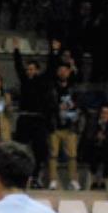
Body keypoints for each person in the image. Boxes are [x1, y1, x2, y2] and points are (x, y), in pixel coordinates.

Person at [12, 48, 50, 188]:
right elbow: (18, 67)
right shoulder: (24, 81)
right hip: (24, 118)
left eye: (32, 69)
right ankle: (17, 176)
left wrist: (54, 51)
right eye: (28, 69)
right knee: (19, 149)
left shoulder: (42, 82)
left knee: (39, 150)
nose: (29, 72)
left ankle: (35, 177)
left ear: (37, 70)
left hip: (37, 120)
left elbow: (51, 68)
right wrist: (16, 50)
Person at [46, 63, 82, 191]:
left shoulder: (74, 88)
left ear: (69, 72)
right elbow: (47, 105)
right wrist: (57, 108)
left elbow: (79, 104)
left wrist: (72, 107)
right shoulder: (51, 88)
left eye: (65, 70)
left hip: (70, 126)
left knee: (72, 155)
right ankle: (52, 180)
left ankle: (73, 180)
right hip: (55, 126)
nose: (63, 72)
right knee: (53, 155)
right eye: (60, 70)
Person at [80, 104, 108, 191]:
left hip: (105, 148)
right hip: (92, 147)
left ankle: (103, 182)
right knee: (94, 155)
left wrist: (107, 138)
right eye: (103, 113)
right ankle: (94, 181)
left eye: (107, 113)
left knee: (107, 157)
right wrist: (96, 137)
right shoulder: (93, 123)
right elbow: (88, 138)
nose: (105, 115)